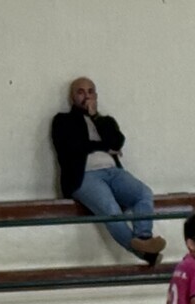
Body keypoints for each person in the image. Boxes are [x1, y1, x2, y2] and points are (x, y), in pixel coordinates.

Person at [50, 78, 164, 265]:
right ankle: (146, 254)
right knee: (111, 210)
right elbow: (71, 147)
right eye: (80, 92)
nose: (86, 96)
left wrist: (95, 117)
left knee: (143, 193)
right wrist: (104, 147)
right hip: (85, 176)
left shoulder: (106, 121)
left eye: (90, 91)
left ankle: (144, 238)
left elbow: (117, 141)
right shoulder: (63, 121)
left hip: (113, 172)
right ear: (72, 97)